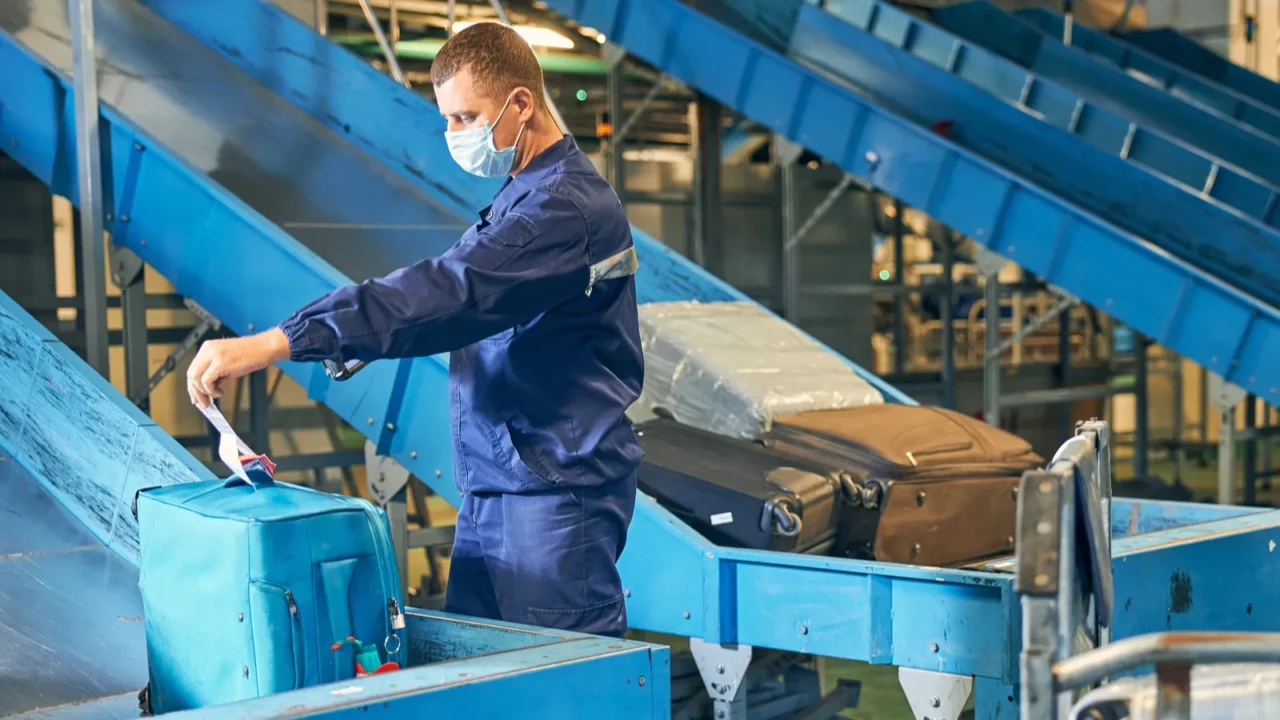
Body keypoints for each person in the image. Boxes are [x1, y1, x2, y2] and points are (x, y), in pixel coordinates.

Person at [185, 22, 644, 638]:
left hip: (555, 499)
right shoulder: (521, 196)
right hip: (499, 485)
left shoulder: (564, 207)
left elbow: (453, 293)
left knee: (562, 692)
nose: (454, 135)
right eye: (448, 119)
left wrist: (279, 340)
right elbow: (466, 308)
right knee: (482, 678)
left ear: (522, 104)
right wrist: (358, 345)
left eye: (465, 117)